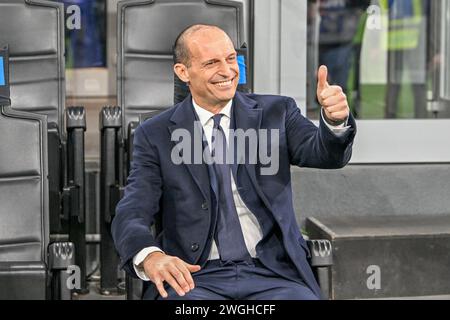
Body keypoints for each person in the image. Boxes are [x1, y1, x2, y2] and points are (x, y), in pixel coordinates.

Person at [111, 24, 356, 300]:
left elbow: (324, 154)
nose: (227, 71)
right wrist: (151, 256)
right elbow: (132, 211)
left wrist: (335, 122)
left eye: (230, 59)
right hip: (195, 278)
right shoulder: (154, 134)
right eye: (212, 63)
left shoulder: (277, 112)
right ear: (183, 72)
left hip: (273, 273)